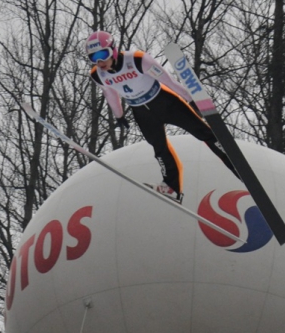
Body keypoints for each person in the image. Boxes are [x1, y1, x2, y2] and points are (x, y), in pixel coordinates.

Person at [86, 30, 240, 204]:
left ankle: (234, 163)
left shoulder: (138, 60)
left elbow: (169, 81)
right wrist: (119, 116)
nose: (99, 62)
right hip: (141, 113)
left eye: (102, 54)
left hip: (165, 103)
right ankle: (172, 187)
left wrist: (191, 99)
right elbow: (110, 94)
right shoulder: (98, 74)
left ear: (113, 49)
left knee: (201, 132)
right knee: (159, 148)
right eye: (93, 58)